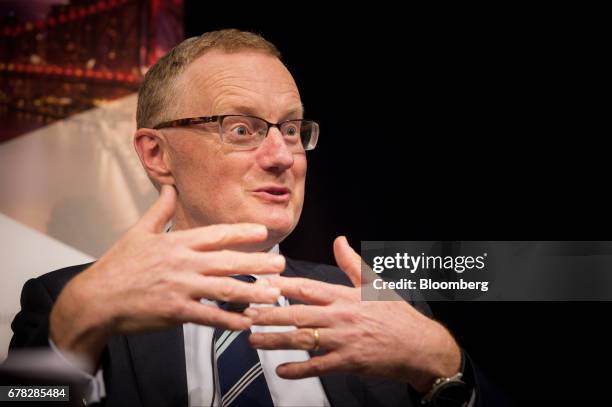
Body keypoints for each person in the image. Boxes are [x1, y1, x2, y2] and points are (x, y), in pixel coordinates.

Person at [8, 29, 505, 406]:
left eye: (290, 129)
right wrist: (68, 337)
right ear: (156, 153)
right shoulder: (69, 302)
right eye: (242, 128)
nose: (281, 156)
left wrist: (446, 365)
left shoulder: (382, 307)